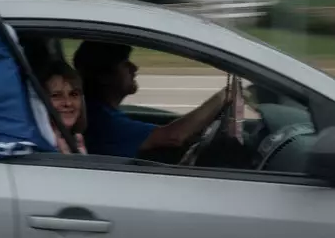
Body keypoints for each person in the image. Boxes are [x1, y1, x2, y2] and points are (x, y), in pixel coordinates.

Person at [73, 41, 231, 159]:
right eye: (125, 64)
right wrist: (223, 96)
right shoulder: (102, 122)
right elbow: (174, 136)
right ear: (104, 76)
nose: (135, 68)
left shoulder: (99, 111)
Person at [36, 60, 88, 154]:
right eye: (56, 96)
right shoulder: (37, 147)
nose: (68, 103)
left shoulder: (77, 141)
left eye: (73, 94)